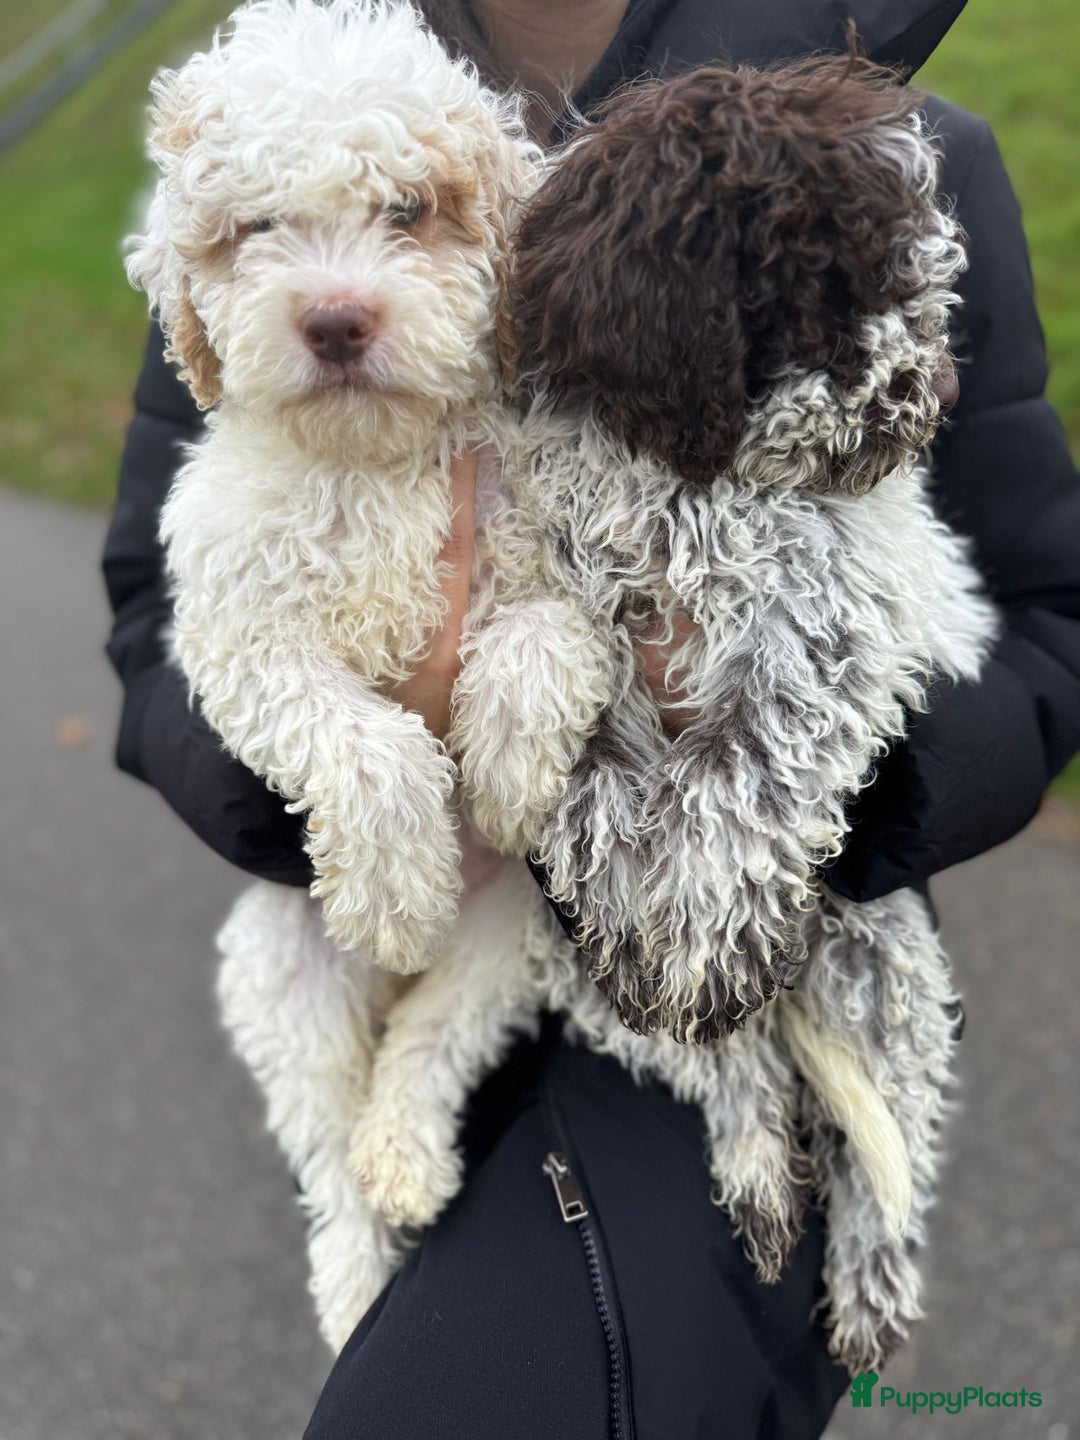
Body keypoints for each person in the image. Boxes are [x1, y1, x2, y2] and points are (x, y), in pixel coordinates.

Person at [102, 0, 1080, 1435]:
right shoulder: (276, 107)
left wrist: (774, 784)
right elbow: (155, 615)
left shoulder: (902, 160)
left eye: (404, 217)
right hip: (396, 924)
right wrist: (357, 777)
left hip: (734, 981)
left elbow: (1049, 627)